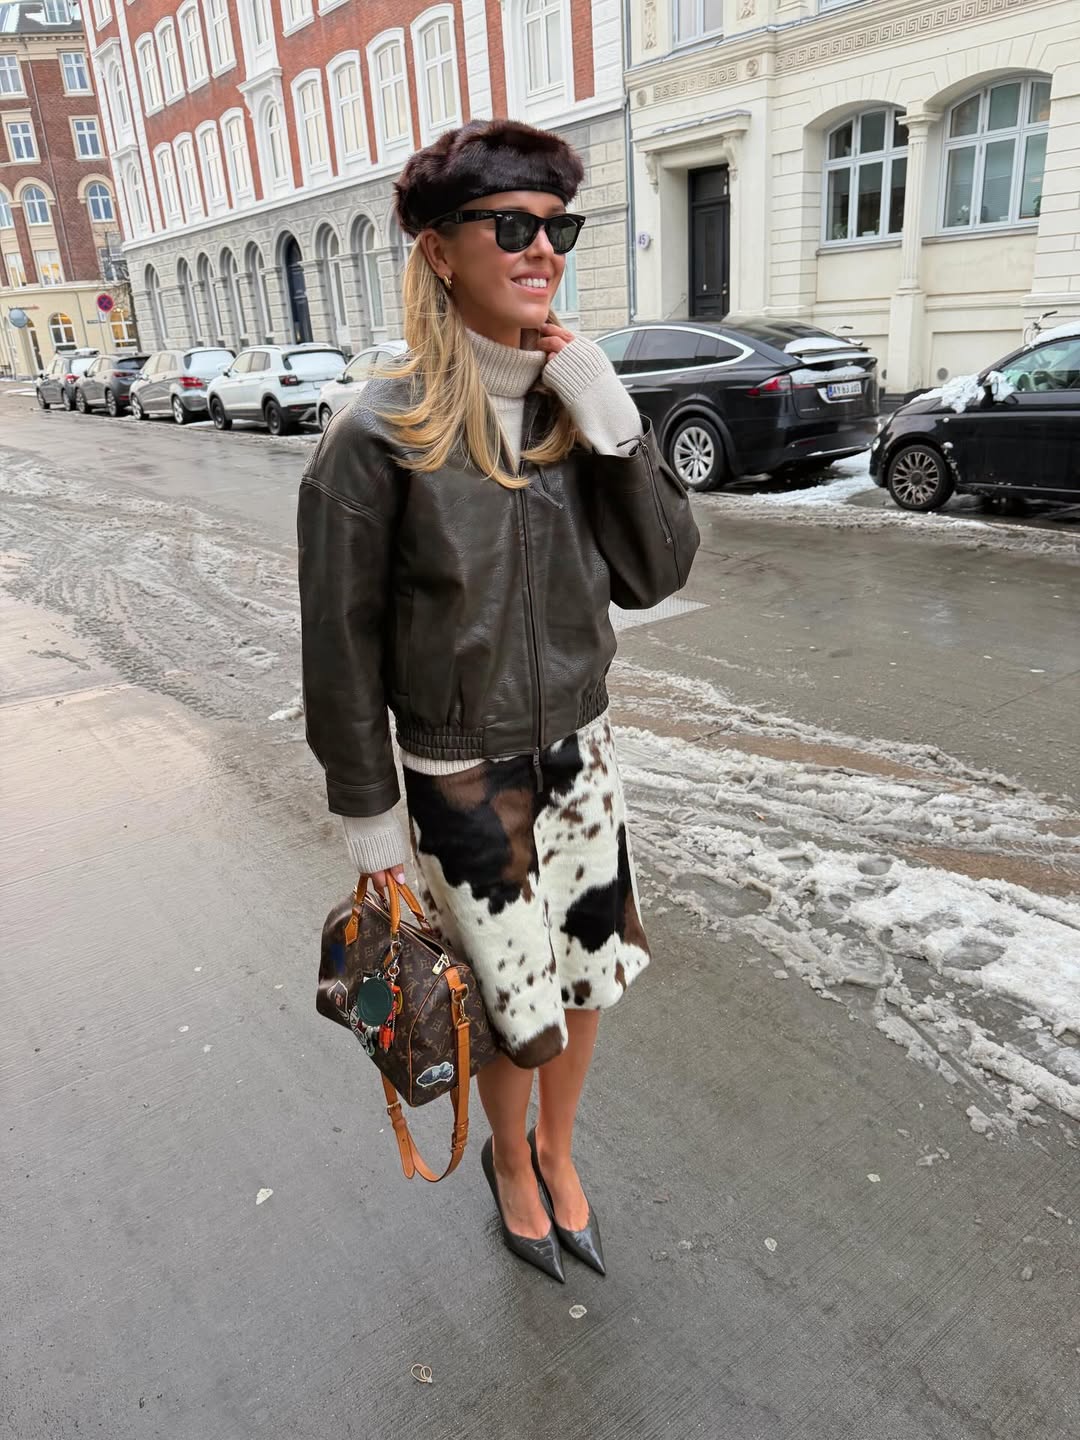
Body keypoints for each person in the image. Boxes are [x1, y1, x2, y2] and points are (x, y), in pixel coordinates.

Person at [298, 119, 699, 1282]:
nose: (543, 250)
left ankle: (559, 1152)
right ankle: (511, 1162)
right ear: (439, 249)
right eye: (513, 226)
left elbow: (658, 572)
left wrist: (611, 416)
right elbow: (339, 651)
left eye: (559, 228)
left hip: (580, 755)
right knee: (515, 1009)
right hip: (460, 777)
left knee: (589, 979)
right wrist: (372, 829)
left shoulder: (573, 415)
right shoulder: (376, 436)